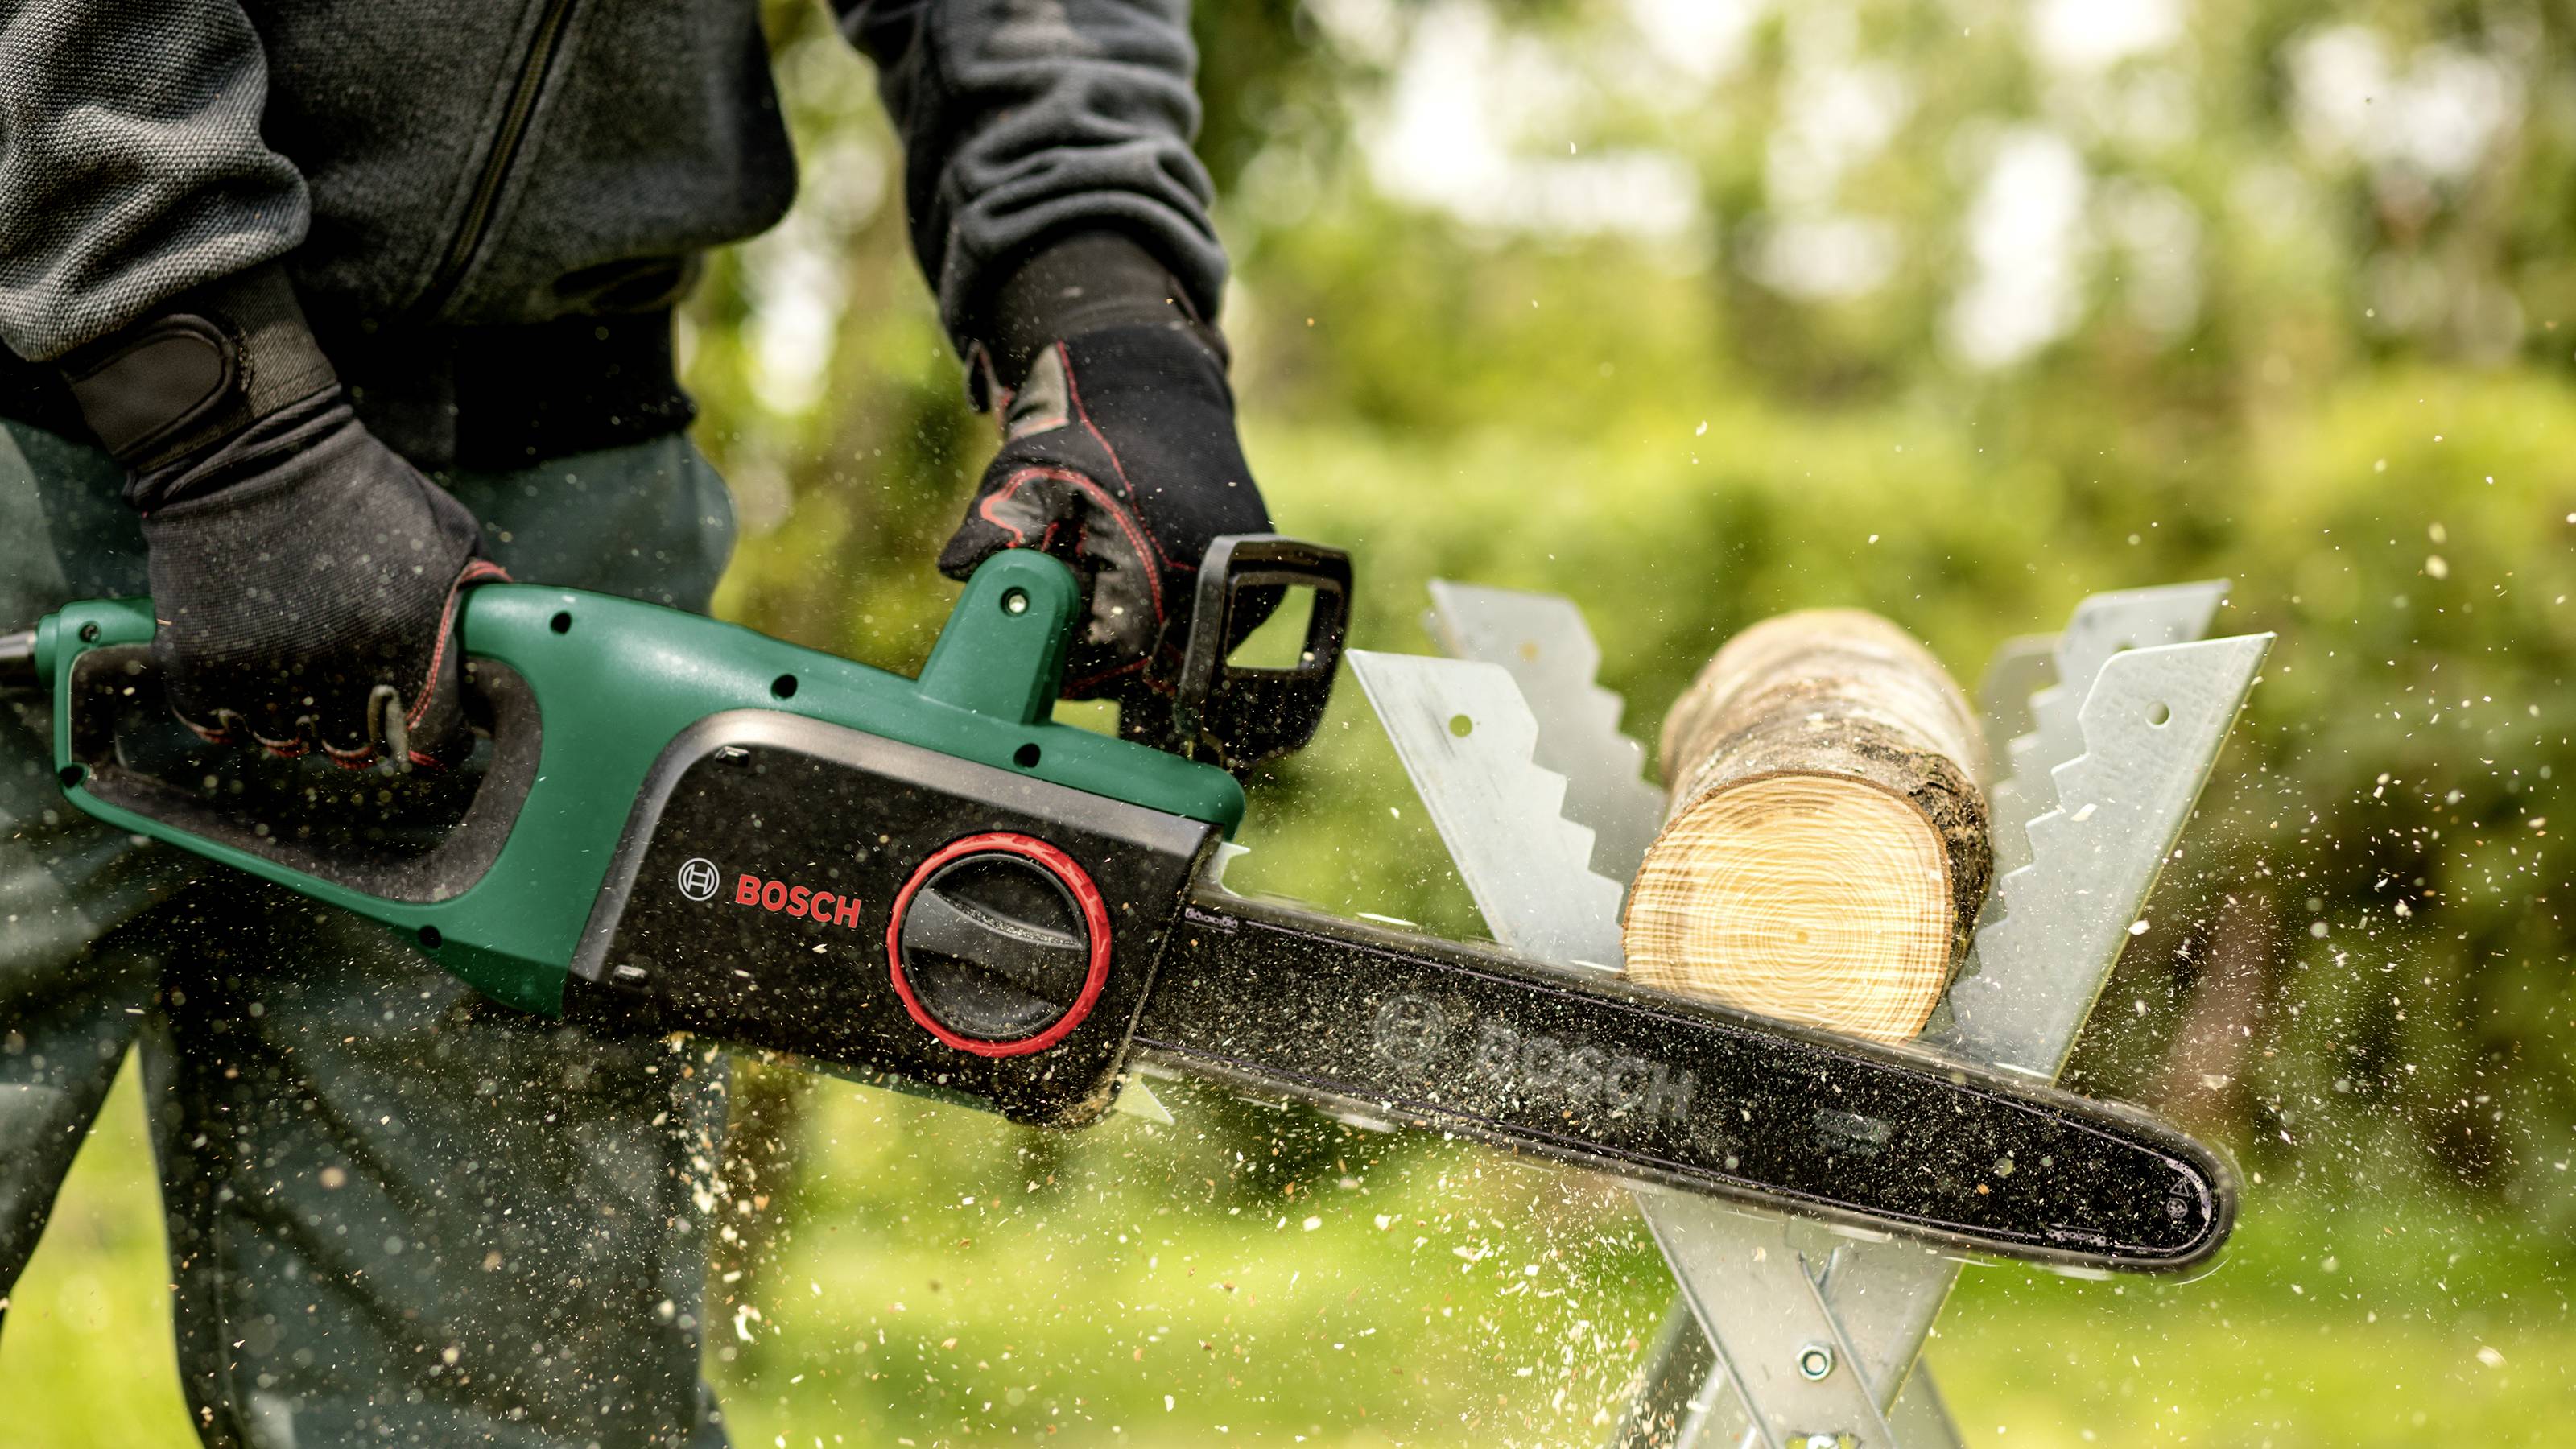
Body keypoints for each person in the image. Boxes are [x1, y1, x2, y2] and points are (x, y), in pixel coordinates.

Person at [0, 2, 1268, 1443]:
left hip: (561, 498)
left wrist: (1106, 307)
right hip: (35, 420)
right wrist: (216, 399)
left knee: (510, 1406)